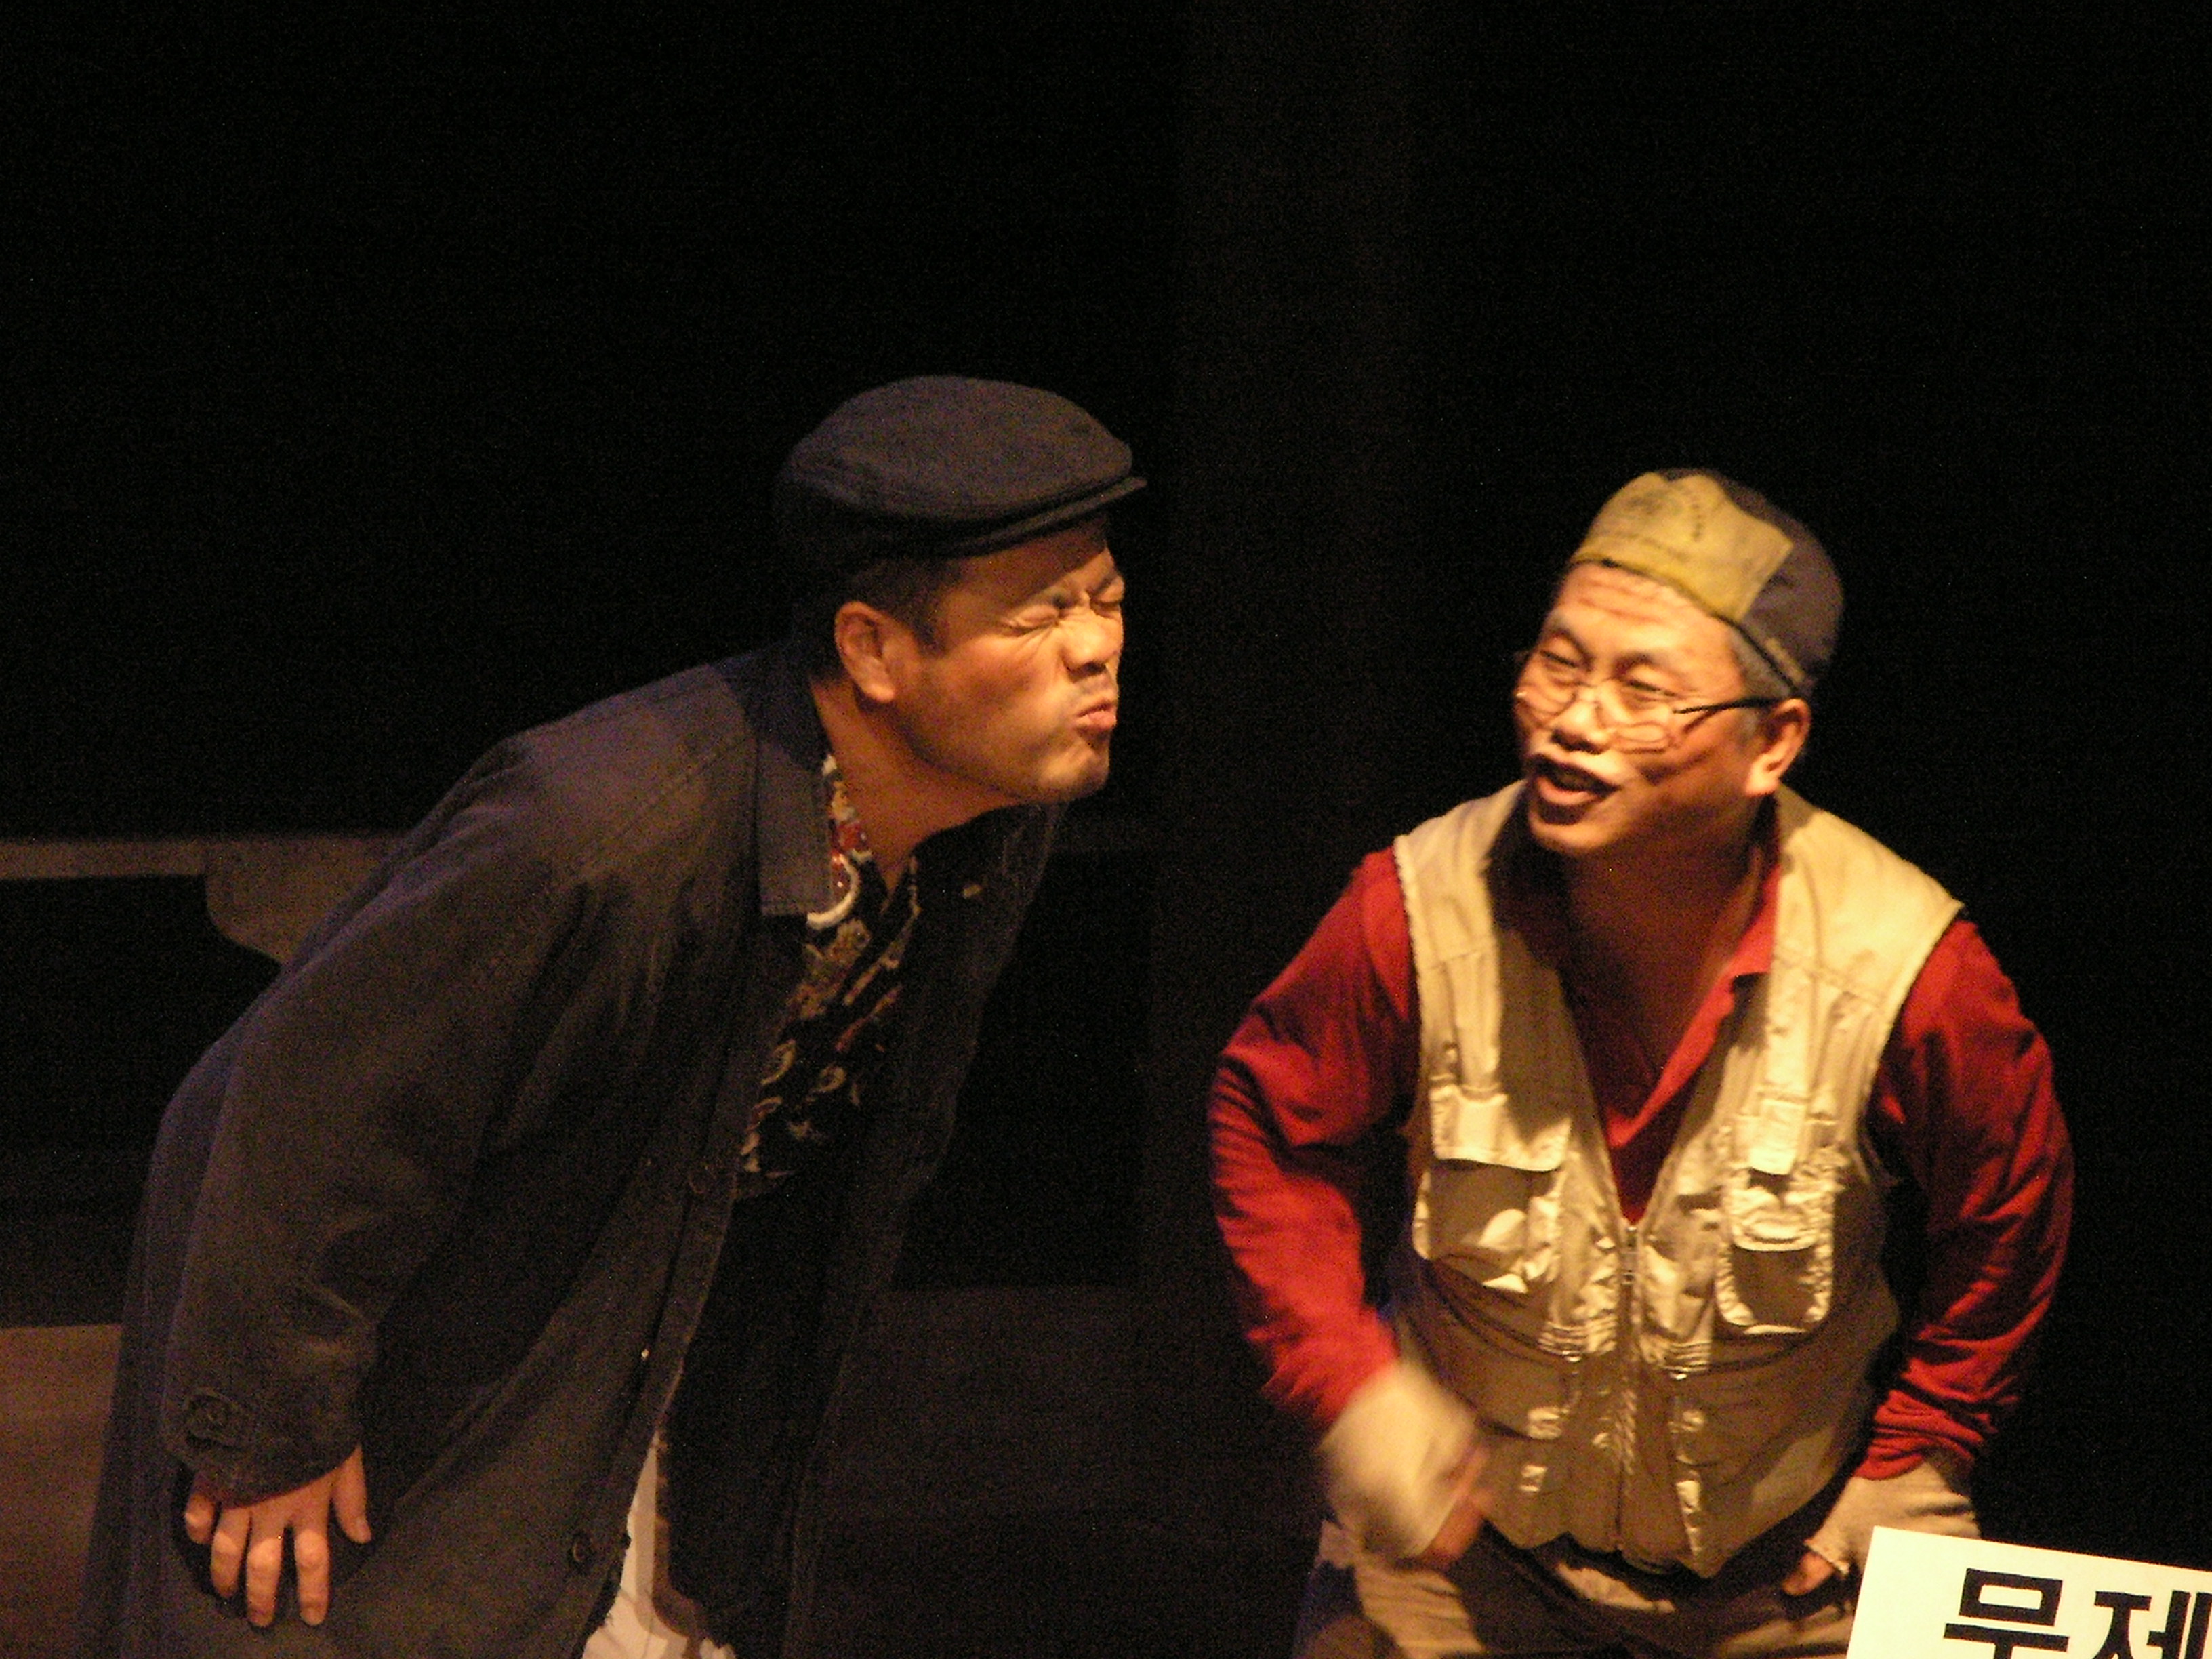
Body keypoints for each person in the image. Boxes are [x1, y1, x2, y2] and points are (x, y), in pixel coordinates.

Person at [77, 376, 1143, 1658]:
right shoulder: (605, 835)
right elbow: (312, 1099)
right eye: (1039, 617)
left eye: (1106, 601)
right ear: (872, 650)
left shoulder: (985, 829)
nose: (1097, 648)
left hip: (622, 1337)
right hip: (411, 1351)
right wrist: (267, 1425)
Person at [1209, 470, 2072, 1658]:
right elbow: (1272, 1122)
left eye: (1645, 690)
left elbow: (2011, 1208)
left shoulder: (1904, 964)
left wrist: (1926, 1450)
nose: (1575, 719)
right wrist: (1348, 1382)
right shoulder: (1415, 912)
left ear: (1774, 742)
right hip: (1465, 1551)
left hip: (1788, 1566)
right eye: (1560, 665)